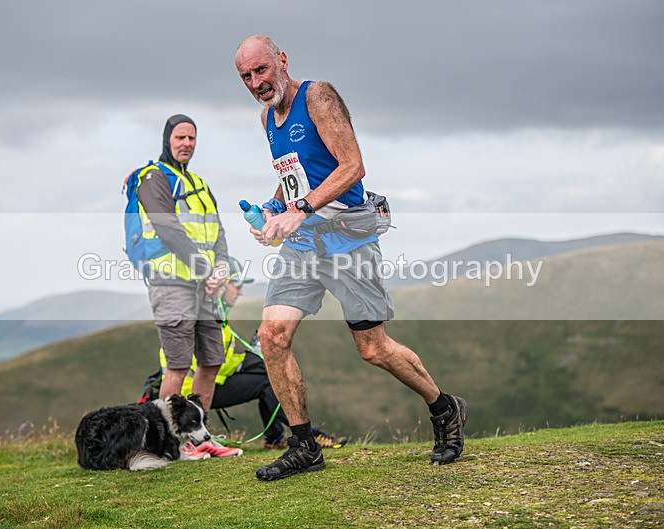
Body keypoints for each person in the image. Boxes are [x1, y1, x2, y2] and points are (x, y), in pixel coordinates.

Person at [234, 35, 467, 481]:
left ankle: (445, 408)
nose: (256, 82)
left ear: (282, 61)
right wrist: (274, 210)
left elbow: (352, 166)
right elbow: (297, 182)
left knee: (373, 349)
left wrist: (299, 211)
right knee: (272, 336)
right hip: (303, 245)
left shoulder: (317, 95)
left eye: (261, 70)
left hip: (348, 242)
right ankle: (303, 446)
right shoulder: (267, 117)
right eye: (246, 76)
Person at [146, 257, 349, 457]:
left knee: (268, 375)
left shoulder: (217, 314)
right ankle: (301, 435)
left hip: (209, 385)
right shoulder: (205, 317)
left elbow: (223, 361)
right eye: (237, 284)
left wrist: (253, 358)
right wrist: (252, 359)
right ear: (222, 286)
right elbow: (211, 366)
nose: (240, 291)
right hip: (192, 392)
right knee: (267, 381)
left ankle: (277, 438)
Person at [132, 113, 229, 415]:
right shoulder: (154, 177)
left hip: (206, 287)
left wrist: (222, 268)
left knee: (212, 360)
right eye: (180, 137)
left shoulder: (199, 183)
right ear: (167, 139)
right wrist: (206, 271)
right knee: (178, 365)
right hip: (171, 283)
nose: (187, 143)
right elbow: (168, 230)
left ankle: (198, 436)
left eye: (192, 138)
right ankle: (168, 440)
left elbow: (218, 232)